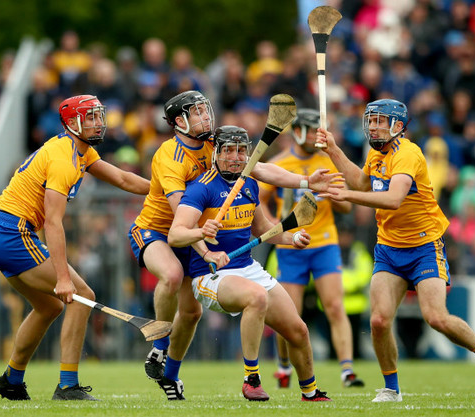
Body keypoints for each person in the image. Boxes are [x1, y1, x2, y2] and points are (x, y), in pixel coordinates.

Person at [127, 90, 339, 400]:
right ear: (178, 121)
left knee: (191, 314)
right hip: (161, 229)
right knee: (172, 275)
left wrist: (306, 183)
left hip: (203, 237)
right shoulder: (170, 158)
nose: (205, 116)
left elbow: (259, 169)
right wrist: (206, 247)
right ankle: (160, 345)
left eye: (204, 110)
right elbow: (180, 222)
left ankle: (170, 377)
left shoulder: (216, 143)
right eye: (196, 112)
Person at [315, 98, 475, 402]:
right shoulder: (376, 154)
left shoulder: (408, 153)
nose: (373, 126)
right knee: (379, 321)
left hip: (423, 245)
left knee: (436, 317)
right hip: (389, 247)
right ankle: (391, 388)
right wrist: (333, 150)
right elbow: (360, 181)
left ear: (397, 126)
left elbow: (393, 198)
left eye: (379, 121)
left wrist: (347, 196)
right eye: (370, 120)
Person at [0, 95, 151, 401]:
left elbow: (124, 179)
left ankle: (11, 380)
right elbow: (54, 223)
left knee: (50, 307)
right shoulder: (63, 158)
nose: (99, 122)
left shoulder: (80, 152)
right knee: (82, 295)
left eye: (100, 116)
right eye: (91, 117)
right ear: (72, 123)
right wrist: (62, 277)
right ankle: (67, 385)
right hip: (12, 231)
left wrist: (169, 190)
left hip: (1, 230)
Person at [168, 125, 331, 402]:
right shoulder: (201, 189)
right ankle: (251, 378)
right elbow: (175, 234)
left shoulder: (249, 184)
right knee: (256, 298)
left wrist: (292, 238)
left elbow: (263, 229)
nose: (236, 157)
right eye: (229, 150)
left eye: (242, 150)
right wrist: (201, 234)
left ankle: (310, 392)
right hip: (210, 274)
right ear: (216, 153)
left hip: (247, 268)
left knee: (298, 330)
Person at [258, 109, 364, 389]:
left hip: (324, 243)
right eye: (312, 128)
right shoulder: (281, 162)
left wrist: (327, 192)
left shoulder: (327, 161)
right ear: (298, 131)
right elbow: (258, 199)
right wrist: (275, 225)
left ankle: (347, 370)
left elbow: (345, 206)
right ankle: (283, 367)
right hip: (292, 245)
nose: (318, 133)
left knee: (334, 306)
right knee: (288, 314)